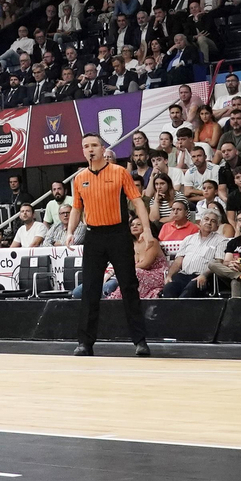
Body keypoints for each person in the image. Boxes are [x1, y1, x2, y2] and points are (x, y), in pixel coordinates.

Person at [68, 134, 152, 356]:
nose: (90, 149)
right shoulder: (79, 178)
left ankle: (140, 340)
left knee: (128, 286)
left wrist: (147, 230)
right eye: (86, 146)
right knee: (90, 289)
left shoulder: (119, 172)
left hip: (118, 234)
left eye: (94, 145)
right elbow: (76, 208)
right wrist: (70, 231)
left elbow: (136, 201)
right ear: (83, 151)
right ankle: (85, 343)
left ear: (102, 148)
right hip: (93, 236)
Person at [161, 209, 228, 297]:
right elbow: (178, 261)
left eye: (213, 221)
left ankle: (178, 310)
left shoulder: (221, 241)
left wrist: (204, 275)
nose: (209, 222)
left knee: (189, 291)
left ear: (217, 226)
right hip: (183, 275)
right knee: (169, 288)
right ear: (200, 222)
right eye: (206, 219)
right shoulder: (188, 239)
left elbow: (218, 262)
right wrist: (169, 275)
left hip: (204, 277)